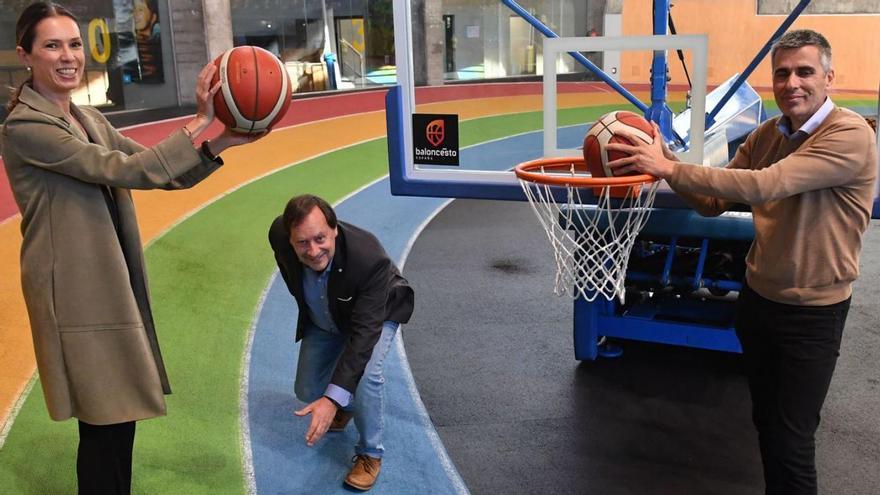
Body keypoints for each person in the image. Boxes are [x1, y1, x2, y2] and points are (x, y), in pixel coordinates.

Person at [1, 2, 263, 493]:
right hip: (74, 291)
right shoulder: (25, 128)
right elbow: (123, 171)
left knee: (118, 418)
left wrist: (223, 139)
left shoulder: (85, 118)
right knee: (104, 422)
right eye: (52, 45)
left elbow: (156, 168)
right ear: (26, 55)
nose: (68, 55)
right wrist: (199, 118)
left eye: (74, 44)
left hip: (106, 280)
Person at [605, 29, 877, 495]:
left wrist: (670, 168)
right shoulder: (768, 133)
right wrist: (666, 160)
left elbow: (768, 184)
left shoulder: (850, 134)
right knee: (767, 424)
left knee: (792, 444)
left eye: (805, 72)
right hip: (759, 302)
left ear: (829, 77)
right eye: (783, 73)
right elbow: (712, 200)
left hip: (812, 314)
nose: (792, 82)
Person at [268, 194, 414, 491]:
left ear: (334, 228)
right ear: (290, 238)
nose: (313, 250)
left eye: (320, 238)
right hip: (327, 312)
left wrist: (334, 396)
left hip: (376, 311)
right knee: (307, 390)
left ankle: (370, 454)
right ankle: (345, 404)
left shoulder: (368, 259)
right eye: (303, 243)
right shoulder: (278, 235)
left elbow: (362, 339)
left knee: (366, 376)